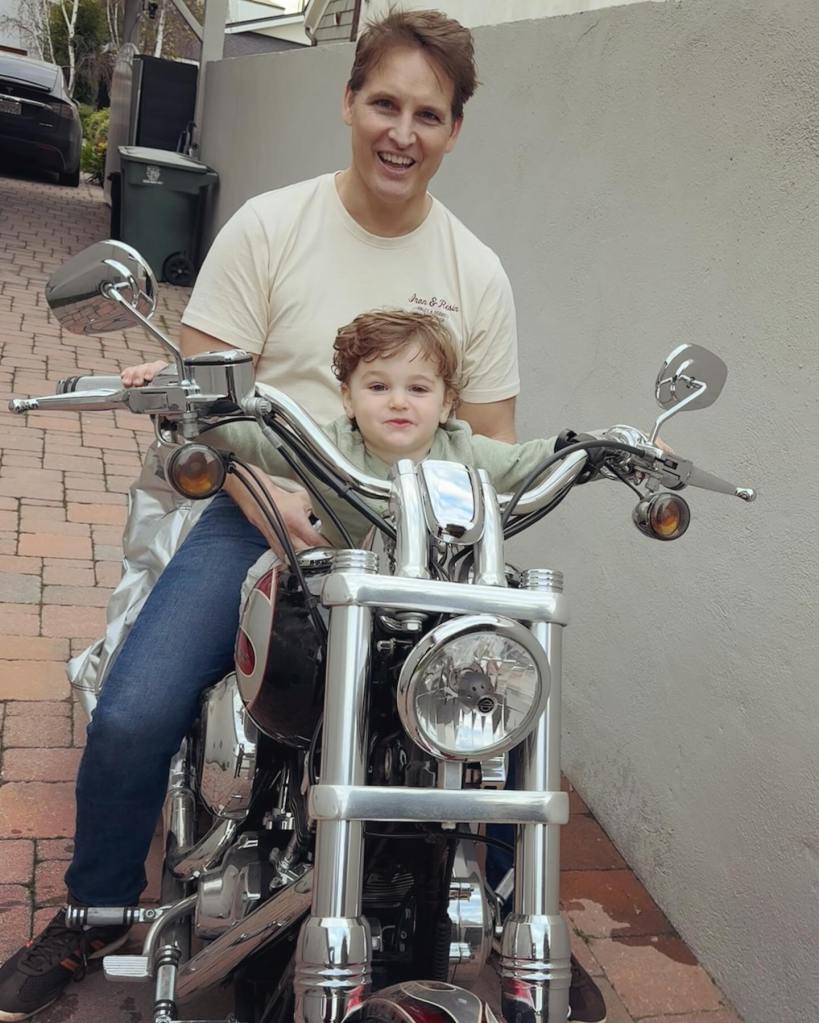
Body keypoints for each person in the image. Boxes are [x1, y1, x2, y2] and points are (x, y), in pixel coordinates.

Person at [0, 11, 605, 1023]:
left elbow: (491, 450)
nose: (401, 132)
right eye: (384, 103)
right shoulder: (271, 229)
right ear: (347, 102)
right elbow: (196, 411)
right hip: (263, 517)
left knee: (501, 710)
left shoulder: (477, 275)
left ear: (455, 130)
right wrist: (267, 494)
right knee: (140, 702)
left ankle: (511, 912)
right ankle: (98, 904)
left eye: (427, 113)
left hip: (412, 543)